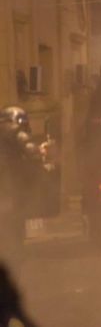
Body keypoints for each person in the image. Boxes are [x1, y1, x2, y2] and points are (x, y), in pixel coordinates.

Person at [0, 106, 44, 263]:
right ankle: (14, 251)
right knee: (15, 216)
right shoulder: (15, 131)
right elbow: (31, 150)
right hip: (9, 183)